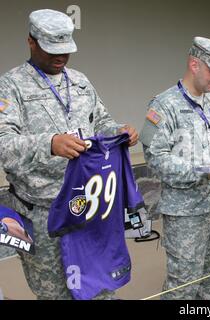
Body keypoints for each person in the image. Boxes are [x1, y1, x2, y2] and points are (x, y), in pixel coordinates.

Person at [0, 9, 138, 300]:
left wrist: (119, 130)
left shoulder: (80, 81)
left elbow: (100, 122)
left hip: (90, 205)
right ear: (31, 42)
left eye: (66, 50)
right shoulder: (10, 85)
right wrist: (49, 143)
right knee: (55, 293)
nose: (60, 57)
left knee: (99, 285)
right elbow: (3, 142)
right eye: (52, 50)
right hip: (43, 212)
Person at [140, 37, 210, 300]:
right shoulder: (163, 105)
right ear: (194, 64)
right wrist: (201, 171)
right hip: (186, 212)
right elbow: (156, 158)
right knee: (184, 282)